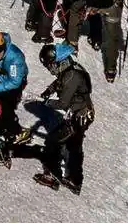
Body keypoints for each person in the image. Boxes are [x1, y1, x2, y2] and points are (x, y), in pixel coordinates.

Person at [32, 42, 93, 195]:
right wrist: (48, 90)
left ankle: (55, 175)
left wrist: (47, 102)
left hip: (80, 116)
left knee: (56, 141)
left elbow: (63, 102)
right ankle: (73, 179)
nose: (49, 69)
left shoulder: (72, 75)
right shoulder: (68, 68)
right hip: (78, 113)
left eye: (49, 65)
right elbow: (59, 81)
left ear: (56, 62)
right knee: (71, 145)